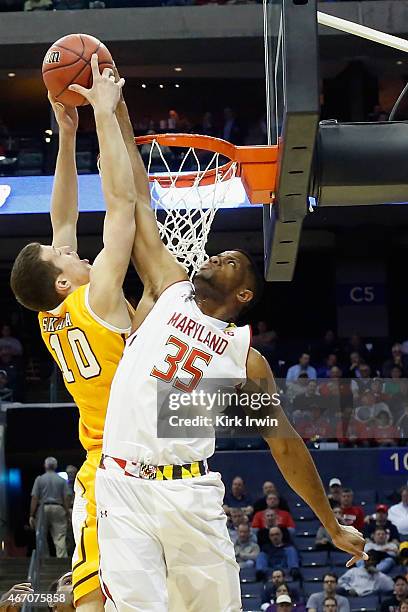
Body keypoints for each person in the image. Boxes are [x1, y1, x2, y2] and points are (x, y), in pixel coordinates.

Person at [93, 68, 367, 610]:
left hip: (191, 494)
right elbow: (138, 200)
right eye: (219, 253)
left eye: (232, 261)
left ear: (243, 296)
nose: (217, 254)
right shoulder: (167, 290)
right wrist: (115, 111)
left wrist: (332, 525)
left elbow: (284, 444)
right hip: (122, 488)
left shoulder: (247, 360)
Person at [10, 57, 135, 612]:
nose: (71, 246)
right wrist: (105, 116)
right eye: (64, 255)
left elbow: (64, 219)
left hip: (98, 462)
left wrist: (66, 136)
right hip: (133, 458)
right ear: (63, 278)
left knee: (94, 594)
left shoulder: (51, 314)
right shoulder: (100, 295)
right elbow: (119, 207)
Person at [30, 457, 70, 558]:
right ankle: (61, 559)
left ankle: (44, 559)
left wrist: (31, 514)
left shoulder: (39, 479)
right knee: (60, 537)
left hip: (43, 508)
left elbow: (35, 497)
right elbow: (67, 497)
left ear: (45, 466)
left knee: (41, 536)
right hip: (58, 508)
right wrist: (67, 510)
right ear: (55, 466)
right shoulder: (61, 480)